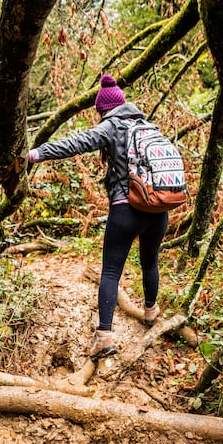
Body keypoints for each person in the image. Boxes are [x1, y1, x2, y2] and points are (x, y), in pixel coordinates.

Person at [29, 74, 168, 359]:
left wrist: (37, 154)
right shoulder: (147, 126)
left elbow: (76, 143)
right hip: (159, 208)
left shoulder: (111, 126)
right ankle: (151, 312)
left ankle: (104, 336)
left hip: (127, 208)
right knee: (150, 261)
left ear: (103, 110)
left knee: (111, 271)